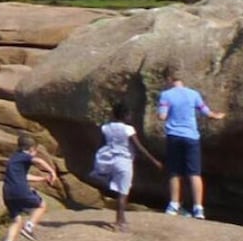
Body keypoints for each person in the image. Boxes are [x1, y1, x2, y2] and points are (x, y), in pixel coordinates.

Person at [157, 75, 226, 219]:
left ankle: (173, 205)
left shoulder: (166, 95)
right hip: (191, 136)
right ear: (182, 82)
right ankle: (198, 208)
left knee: (175, 172)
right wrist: (217, 115)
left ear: (170, 81)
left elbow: (162, 116)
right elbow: (206, 112)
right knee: (194, 173)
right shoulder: (193, 94)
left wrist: (163, 111)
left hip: (174, 136)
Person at [91, 107, 163, 232]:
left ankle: (107, 182)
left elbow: (101, 144)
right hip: (123, 161)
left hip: (108, 159)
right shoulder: (128, 129)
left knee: (112, 183)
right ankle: (120, 220)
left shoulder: (106, 128)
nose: (130, 117)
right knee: (123, 192)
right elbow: (139, 147)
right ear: (125, 116)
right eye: (129, 115)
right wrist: (154, 161)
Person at [0, 133, 62, 241]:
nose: (35, 154)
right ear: (32, 149)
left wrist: (43, 178)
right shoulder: (25, 156)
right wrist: (52, 171)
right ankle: (29, 227)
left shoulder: (14, 159)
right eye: (35, 151)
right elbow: (38, 161)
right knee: (41, 205)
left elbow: (25, 177)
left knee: (16, 220)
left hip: (8, 193)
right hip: (20, 190)